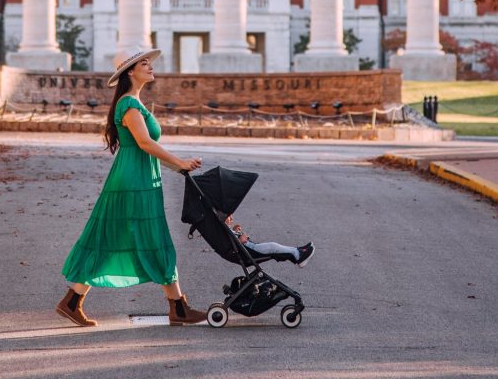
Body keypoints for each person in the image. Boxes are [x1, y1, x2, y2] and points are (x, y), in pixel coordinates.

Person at [57, 48, 206, 328]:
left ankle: (72, 300)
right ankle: (178, 307)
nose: (151, 67)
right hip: (132, 181)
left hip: (138, 177)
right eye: (144, 64)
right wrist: (180, 163)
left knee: (115, 238)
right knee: (151, 237)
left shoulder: (134, 102)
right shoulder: (128, 105)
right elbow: (145, 143)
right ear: (130, 71)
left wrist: (178, 165)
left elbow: (146, 145)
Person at [224, 214, 315, 267]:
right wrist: (241, 240)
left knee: (273, 246)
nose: (232, 219)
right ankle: (298, 255)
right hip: (249, 253)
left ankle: (297, 251)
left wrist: (236, 231)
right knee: (273, 246)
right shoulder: (224, 229)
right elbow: (234, 243)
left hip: (249, 249)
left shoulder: (224, 229)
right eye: (229, 216)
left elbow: (232, 238)